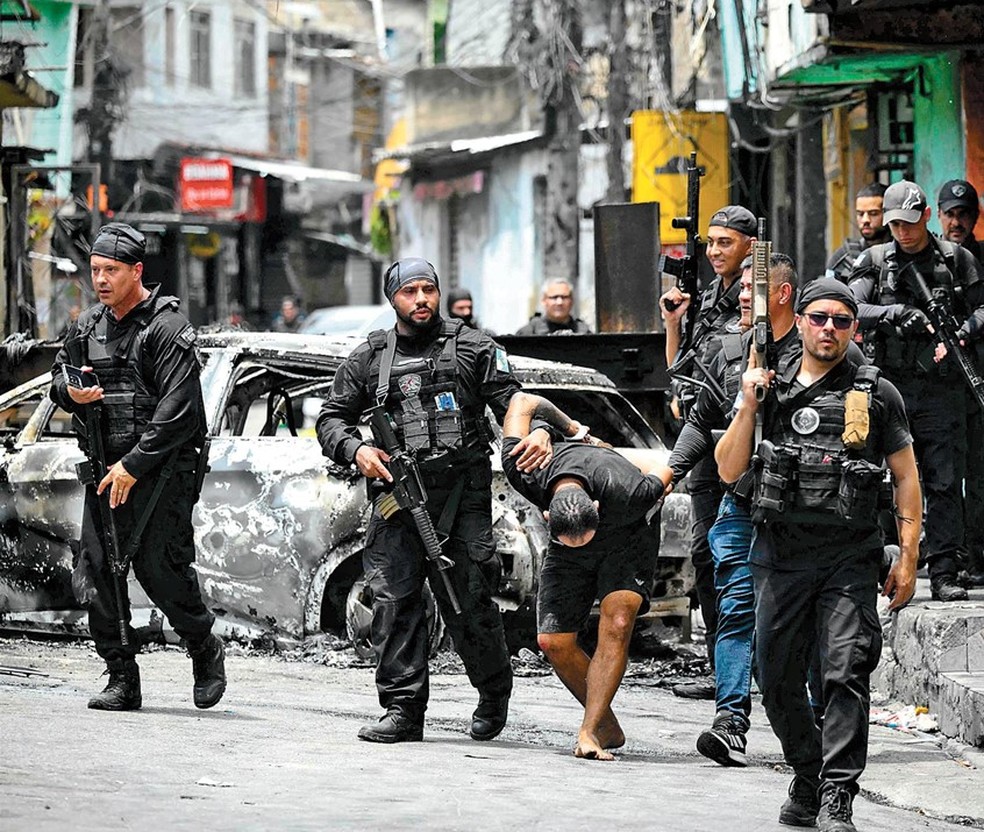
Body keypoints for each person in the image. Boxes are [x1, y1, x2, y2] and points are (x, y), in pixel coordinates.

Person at [316, 257, 552, 743]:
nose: (421, 299)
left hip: (461, 496)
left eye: (429, 289)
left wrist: (542, 431)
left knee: (468, 599)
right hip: (395, 499)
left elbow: (516, 404)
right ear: (393, 299)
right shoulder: (370, 358)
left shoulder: (473, 347)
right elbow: (331, 417)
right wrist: (356, 449)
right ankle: (403, 709)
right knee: (394, 601)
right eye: (410, 292)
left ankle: (492, 691)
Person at [716, 279, 921, 832]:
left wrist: (907, 554)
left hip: (848, 556)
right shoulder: (770, 385)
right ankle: (807, 772)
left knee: (843, 673)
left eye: (842, 321)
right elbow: (729, 470)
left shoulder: (877, 393)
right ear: (801, 320)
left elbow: (905, 477)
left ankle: (837, 794)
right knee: (776, 677)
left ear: (853, 329)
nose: (829, 328)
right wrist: (746, 405)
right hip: (779, 554)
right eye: (819, 318)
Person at [49, 222, 225, 711]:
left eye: (112, 271)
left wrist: (135, 464)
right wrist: (71, 392)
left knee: (158, 569)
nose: (101, 280)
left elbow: (179, 410)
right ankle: (122, 675)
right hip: (107, 470)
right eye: (96, 271)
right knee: (98, 571)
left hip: (161, 472)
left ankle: (204, 646)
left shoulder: (165, 328)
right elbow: (57, 381)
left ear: (137, 271)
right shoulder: (87, 328)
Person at [662, 253, 801, 766]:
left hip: (802, 512)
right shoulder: (726, 351)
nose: (741, 296)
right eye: (740, 287)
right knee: (737, 608)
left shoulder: (817, 353)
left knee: (792, 618)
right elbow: (700, 419)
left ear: (782, 295)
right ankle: (730, 721)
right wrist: (667, 473)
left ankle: (806, 720)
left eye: (752, 288)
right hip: (742, 502)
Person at [500, 391, 667, 761]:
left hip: (628, 533)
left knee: (618, 620)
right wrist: (567, 428)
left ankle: (590, 731)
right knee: (552, 641)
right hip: (575, 522)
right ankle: (606, 723)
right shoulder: (523, 468)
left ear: (595, 508)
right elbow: (522, 400)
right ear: (546, 517)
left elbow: (669, 471)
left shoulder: (630, 492)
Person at [849, 180, 984, 602]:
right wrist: (893, 313)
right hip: (888, 389)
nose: (902, 233)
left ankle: (944, 570)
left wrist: (962, 334)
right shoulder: (875, 260)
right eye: (895, 225)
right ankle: (876, 565)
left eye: (909, 223)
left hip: (940, 390)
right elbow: (851, 308)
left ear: (926, 216)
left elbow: (982, 305)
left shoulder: (955, 259)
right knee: (872, 480)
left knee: (945, 482)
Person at [659, 204, 756, 700]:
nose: (715, 251)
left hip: (746, 444)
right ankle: (725, 669)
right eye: (711, 243)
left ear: (749, 245)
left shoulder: (761, 293)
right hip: (704, 438)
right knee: (705, 551)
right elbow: (681, 371)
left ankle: (756, 664)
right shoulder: (706, 295)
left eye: (725, 242)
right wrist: (674, 322)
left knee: (746, 553)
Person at [938, 180, 984, 587]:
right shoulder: (934, 260)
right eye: (950, 214)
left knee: (980, 473)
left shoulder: (979, 259)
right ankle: (948, 557)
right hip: (940, 387)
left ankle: (977, 554)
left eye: (963, 214)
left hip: (978, 382)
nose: (957, 221)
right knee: (944, 477)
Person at [825, 183, 891, 284]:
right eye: (860, 214)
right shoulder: (843, 260)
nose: (865, 220)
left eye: (873, 213)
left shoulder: (903, 251)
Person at [515, 278, 592, 335]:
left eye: (564, 297)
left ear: (572, 301)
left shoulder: (583, 332)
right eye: (554, 297)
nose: (559, 302)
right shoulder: (528, 332)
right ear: (544, 301)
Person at [938, 179, 982, 262]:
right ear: (939, 214)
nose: (956, 223)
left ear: (976, 216)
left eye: (963, 214)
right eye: (949, 214)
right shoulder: (927, 259)